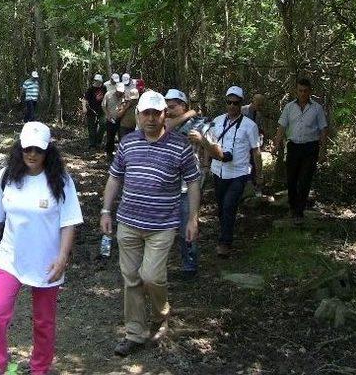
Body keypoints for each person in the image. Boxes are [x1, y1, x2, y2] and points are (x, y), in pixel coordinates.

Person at [0, 122, 83, 375]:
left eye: (38, 150)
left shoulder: (61, 181)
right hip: (10, 257)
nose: (32, 154)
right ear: (18, 148)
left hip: (47, 260)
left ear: (48, 151)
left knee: (43, 322)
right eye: (26, 149)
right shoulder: (7, 177)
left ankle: (39, 369)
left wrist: (62, 257)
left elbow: (69, 222)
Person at [99, 90, 201, 356]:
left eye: (157, 113)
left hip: (162, 226)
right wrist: (105, 211)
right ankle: (134, 333)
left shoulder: (180, 145)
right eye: (147, 113)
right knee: (131, 279)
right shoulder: (127, 143)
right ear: (138, 115)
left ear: (164, 115)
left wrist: (192, 218)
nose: (152, 118)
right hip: (128, 223)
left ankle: (160, 314)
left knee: (151, 277)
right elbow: (114, 179)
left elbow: (192, 182)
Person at [164, 89, 217, 280]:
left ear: (183, 105)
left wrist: (202, 142)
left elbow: (215, 149)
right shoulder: (162, 122)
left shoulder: (200, 125)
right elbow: (167, 127)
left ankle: (190, 265)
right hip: (164, 186)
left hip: (188, 185)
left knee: (188, 225)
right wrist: (189, 112)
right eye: (166, 106)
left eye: (172, 106)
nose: (168, 110)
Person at [207, 86, 262, 257]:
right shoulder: (216, 121)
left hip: (239, 173)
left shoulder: (249, 126)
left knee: (230, 205)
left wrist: (259, 175)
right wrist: (205, 163)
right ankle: (225, 232)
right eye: (229, 102)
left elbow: (256, 152)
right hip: (218, 171)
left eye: (235, 103)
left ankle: (225, 242)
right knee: (222, 207)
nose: (231, 106)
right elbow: (208, 144)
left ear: (241, 104)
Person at [273, 78, 328, 225]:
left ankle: (299, 211)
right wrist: (276, 143)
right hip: (294, 147)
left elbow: (323, 129)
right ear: (296, 91)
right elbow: (281, 127)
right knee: (291, 179)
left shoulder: (317, 108)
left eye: (305, 91)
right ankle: (292, 206)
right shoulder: (289, 107)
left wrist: (323, 150)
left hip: (311, 147)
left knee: (305, 180)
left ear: (310, 91)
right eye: (300, 91)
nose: (303, 93)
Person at [101, 83, 125, 159]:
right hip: (110, 119)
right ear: (115, 90)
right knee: (110, 137)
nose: (120, 93)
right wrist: (108, 115)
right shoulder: (108, 94)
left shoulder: (124, 96)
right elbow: (103, 106)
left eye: (121, 92)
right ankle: (109, 153)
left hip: (121, 119)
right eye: (118, 92)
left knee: (122, 137)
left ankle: (121, 155)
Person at [82, 74, 106, 148]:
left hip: (102, 110)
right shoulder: (90, 89)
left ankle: (98, 141)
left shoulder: (104, 88)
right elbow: (84, 99)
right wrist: (84, 108)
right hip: (91, 111)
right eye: (97, 81)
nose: (98, 83)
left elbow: (106, 97)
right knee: (92, 128)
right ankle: (92, 144)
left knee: (103, 124)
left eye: (99, 81)